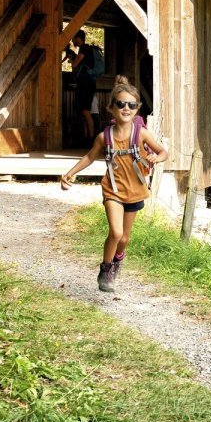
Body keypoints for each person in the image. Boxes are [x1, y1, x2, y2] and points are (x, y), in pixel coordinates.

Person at [59, 75, 168, 293]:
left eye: (131, 105)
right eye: (120, 104)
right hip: (113, 190)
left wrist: (157, 158)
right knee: (116, 232)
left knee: (125, 238)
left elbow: (163, 151)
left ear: (137, 109)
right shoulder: (104, 137)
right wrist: (70, 173)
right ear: (111, 108)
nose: (126, 108)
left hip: (136, 191)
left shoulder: (142, 133)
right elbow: (90, 157)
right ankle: (105, 269)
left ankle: (118, 260)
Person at [71, 30, 97, 141]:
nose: (72, 41)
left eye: (73, 39)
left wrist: (72, 57)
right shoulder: (86, 49)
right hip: (87, 83)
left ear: (78, 38)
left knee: (85, 110)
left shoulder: (84, 48)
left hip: (86, 84)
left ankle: (91, 138)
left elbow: (75, 64)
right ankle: (89, 137)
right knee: (83, 110)